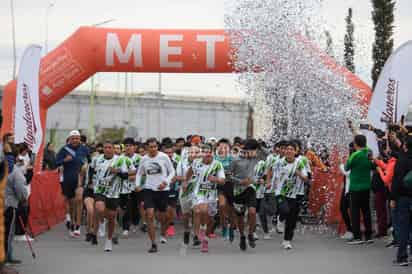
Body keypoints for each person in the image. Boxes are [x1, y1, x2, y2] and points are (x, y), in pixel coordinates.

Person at [135, 138, 175, 253]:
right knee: (150, 215)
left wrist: (165, 182)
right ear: (147, 148)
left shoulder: (163, 157)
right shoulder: (144, 159)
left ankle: (163, 232)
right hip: (149, 189)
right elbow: (139, 173)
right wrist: (138, 185)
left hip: (163, 190)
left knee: (164, 217)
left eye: (155, 147)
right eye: (151, 147)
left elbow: (172, 172)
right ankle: (153, 244)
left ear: (157, 147)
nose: (153, 149)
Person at [268, 141, 308, 250]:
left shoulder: (300, 163)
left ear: (296, 152)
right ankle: (280, 219)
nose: (289, 151)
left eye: (292, 149)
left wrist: (298, 173)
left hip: (294, 194)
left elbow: (305, 178)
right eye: (287, 149)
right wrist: (269, 183)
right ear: (285, 151)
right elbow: (271, 172)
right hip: (280, 192)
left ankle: (286, 241)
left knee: (292, 219)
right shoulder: (279, 162)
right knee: (285, 210)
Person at [185, 144, 225, 252]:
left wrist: (215, 179)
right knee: (199, 210)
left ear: (213, 153)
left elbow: (222, 180)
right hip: (198, 193)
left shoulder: (217, 165)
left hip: (211, 194)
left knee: (210, 220)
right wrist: (185, 182)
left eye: (209, 152)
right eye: (205, 152)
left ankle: (205, 237)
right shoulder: (196, 162)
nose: (207, 154)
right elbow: (190, 172)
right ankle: (200, 232)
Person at [55, 130, 89, 238]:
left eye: (77, 138)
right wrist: (65, 160)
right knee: (71, 202)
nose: (75, 140)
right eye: (73, 138)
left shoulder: (84, 149)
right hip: (68, 179)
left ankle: (78, 226)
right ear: (69, 139)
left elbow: (91, 161)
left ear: (80, 139)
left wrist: (86, 166)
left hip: (80, 179)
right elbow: (55, 163)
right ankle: (71, 220)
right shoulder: (64, 149)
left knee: (79, 200)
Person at [229, 139, 260, 251]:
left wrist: (259, 145)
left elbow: (267, 153)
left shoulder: (255, 159)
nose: (255, 153)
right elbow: (228, 176)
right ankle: (242, 236)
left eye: (255, 151)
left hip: (250, 189)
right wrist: (239, 181)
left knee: (252, 212)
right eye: (253, 150)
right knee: (240, 216)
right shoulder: (235, 160)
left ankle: (251, 233)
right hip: (238, 191)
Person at [344, 134, 374, 245]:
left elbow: (347, 167)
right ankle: (369, 235)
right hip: (366, 187)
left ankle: (357, 236)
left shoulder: (355, 155)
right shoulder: (368, 152)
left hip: (355, 187)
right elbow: (373, 166)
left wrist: (350, 156)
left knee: (355, 212)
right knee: (366, 211)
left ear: (356, 143)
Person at [92, 141, 118, 252]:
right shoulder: (96, 159)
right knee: (99, 208)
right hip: (100, 190)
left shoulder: (120, 160)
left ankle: (108, 240)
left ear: (113, 149)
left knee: (112, 217)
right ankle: (102, 222)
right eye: (105, 147)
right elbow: (92, 171)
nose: (107, 149)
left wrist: (118, 171)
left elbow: (130, 172)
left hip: (113, 192)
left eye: (110, 147)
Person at [391, 135, 412, 266]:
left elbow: (397, 181)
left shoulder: (402, 160)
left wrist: (392, 198)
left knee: (403, 227)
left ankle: (402, 256)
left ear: (405, 145)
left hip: (403, 197)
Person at [4, 156, 28, 265]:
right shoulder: (14, 170)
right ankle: (5, 259)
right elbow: (20, 188)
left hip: (5, 203)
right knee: (7, 233)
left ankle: (7, 256)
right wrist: (23, 199)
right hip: (8, 204)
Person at [177, 145, 201, 246]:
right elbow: (178, 176)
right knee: (186, 215)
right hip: (185, 190)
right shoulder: (182, 162)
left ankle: (196, 235)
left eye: (196, 152)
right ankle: (186, 230)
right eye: (191, 152)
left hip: (197, 191)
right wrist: (184, 181)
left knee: (197, 211)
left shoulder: (202, 163)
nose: (193, 154)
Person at [214, 138, 233, 240]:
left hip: (231, 186)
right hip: (220, 186)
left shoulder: (233, 159)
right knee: (221, 206)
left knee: (230, 209)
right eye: (220, 147)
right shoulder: (214, 159)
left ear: (229, 148)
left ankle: (230, 226)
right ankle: (224, 226)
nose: (223, 149)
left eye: (225, 147)